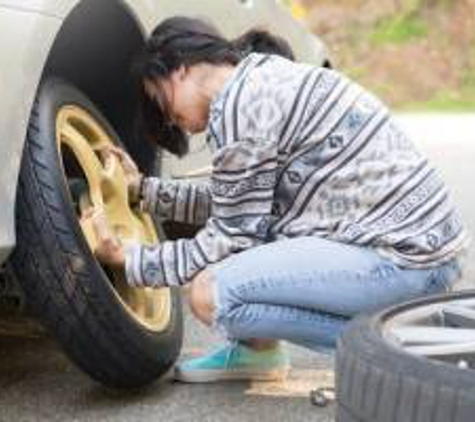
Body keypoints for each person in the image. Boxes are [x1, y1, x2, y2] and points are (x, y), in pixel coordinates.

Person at [86, 16, 469, 384]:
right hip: (425, 254)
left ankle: (398, 347)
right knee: (256, 237)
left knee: (213, 294)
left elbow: (228, 239)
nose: (169, 119)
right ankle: (260, 350)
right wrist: (146, 192)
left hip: (405, 263)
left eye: (161, 102)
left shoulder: (240, 108)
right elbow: (237, 201)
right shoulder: (258, 77)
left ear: (178, 68)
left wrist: (132, 258)